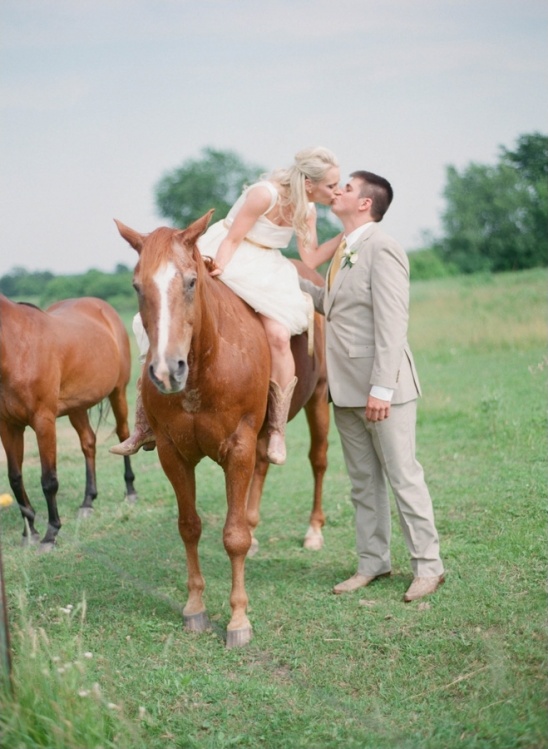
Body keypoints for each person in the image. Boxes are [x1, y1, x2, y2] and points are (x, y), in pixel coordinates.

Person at [110, 146, 340, 465]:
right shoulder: (264, 194)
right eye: (332, 185)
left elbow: (311, 257)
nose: (337, 191)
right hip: (231, 251)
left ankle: (276, 429)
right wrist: (217, 270)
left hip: (268, 265)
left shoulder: (308, 209)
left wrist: (344, 238)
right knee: (163, 317)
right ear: (310, 183)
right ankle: (143, 423)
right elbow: (232, 239)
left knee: (277, 333)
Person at [300, 170, 445, 603]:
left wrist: (382, 388)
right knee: (363, 483)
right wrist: (280, 278)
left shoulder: (383, 247)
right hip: (344, 390)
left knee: (403, 477)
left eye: (345, 187)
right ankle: (372, 562)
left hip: (383, 391)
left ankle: (428, 567)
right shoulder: (345, 248)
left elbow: (393, 322)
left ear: (365, 203)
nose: (336, 191)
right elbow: (335, 307)